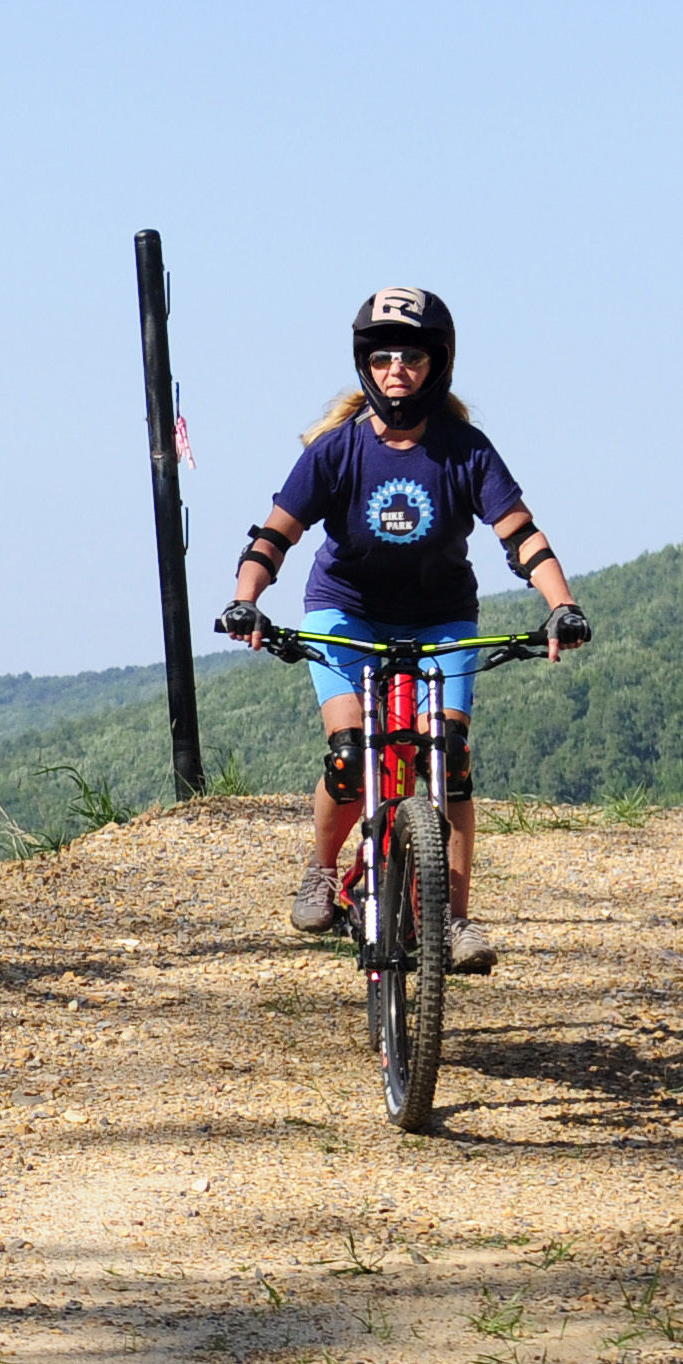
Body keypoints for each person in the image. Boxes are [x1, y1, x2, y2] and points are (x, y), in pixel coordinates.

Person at [211, 286, 588, 971]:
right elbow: (273, 536)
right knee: (351, 752)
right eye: (382, 357)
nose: (396, 370)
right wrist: (245, 600)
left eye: (410, 356)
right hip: (344, 610)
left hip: (442, 617)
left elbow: (522, 536)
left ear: (435, 364)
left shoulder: (464, 450)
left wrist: (561, 604)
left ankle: (456, 918)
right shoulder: (337, 452)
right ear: (366, 365)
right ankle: (323, 870)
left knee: (448, 755)